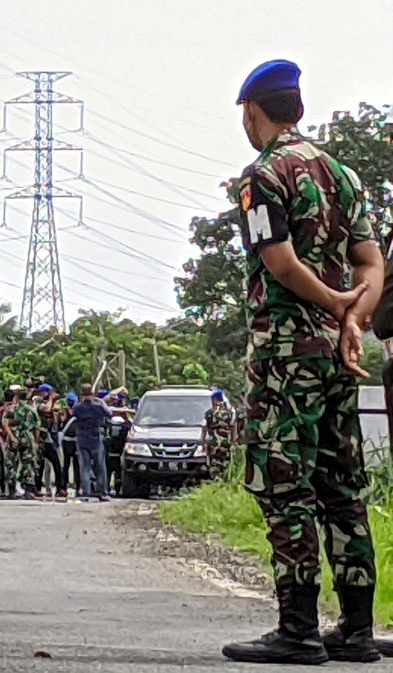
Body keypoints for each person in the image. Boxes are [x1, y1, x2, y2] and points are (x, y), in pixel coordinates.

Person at [222, 59, 385, 665]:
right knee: (342, 485)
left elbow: (280, 262)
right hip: (341, 357)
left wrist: (334, 303)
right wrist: (352, 316)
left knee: (284, 485)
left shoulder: (264, 175)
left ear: (252, 112)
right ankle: (358, 628)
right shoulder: (343, 175)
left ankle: (297, 629)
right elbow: (372, 263)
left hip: (287, 354)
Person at [71, 384, 113, 501]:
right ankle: (102, 492)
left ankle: (86, 492)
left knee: (84, 467)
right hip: (95, 438)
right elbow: (109, 413)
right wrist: (101, 401)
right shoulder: (97, 407)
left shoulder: (78, 407)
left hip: (82, 438)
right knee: (100, 466)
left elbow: (72, 413)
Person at [2, 388, 40, 500]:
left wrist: (12, 437)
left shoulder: (11, 409)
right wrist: (36, 441)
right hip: (28, 439)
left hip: (14, 438)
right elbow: (37, 427)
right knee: (28, 464)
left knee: (10, 463)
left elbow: (5, 424)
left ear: (16, 397)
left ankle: (11, 490)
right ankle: (28, 490)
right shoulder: (32, 410)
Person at [201, 389, 236, 480]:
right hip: (226, 443)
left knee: (214, 465)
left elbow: (204, 428)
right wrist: (233, 441)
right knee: (226, 463)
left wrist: (203, 443)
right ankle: (225, 482)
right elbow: (233, 427)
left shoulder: (209, 413)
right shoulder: (230, 413)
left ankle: (216, 481)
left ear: (214, 400)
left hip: (214, 443)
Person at [60, 392, 79, 495]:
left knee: (74, 464)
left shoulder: (74, 412)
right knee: (68, 464)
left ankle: (76, 485)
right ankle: (65, 485)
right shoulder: (66, 412)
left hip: (73, 441)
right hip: (69, 440)